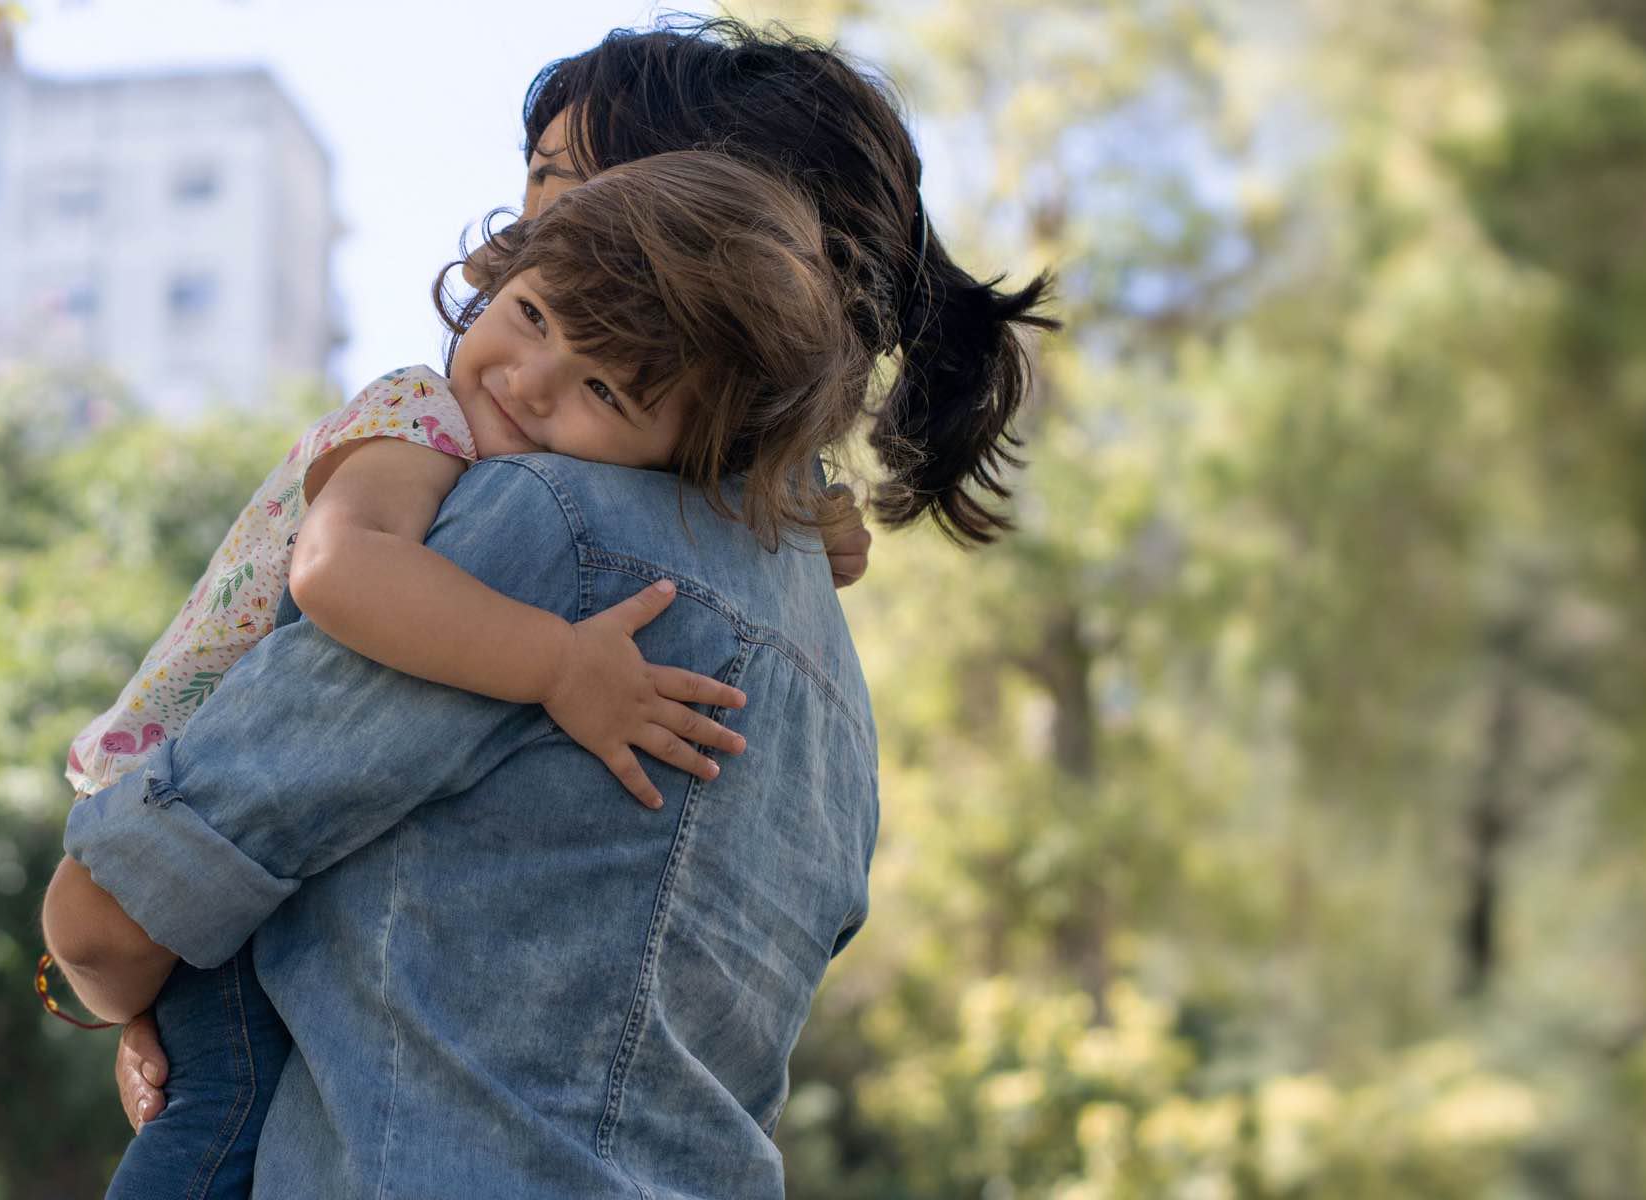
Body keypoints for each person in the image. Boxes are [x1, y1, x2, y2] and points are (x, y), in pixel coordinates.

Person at [54, 16, 1057, 1197]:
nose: (537, 226)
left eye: (575, 183)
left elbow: (110, 919)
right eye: (538, 194)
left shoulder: (542, 527)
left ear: (710, 223)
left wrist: (90, 974)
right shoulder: (832, 679)